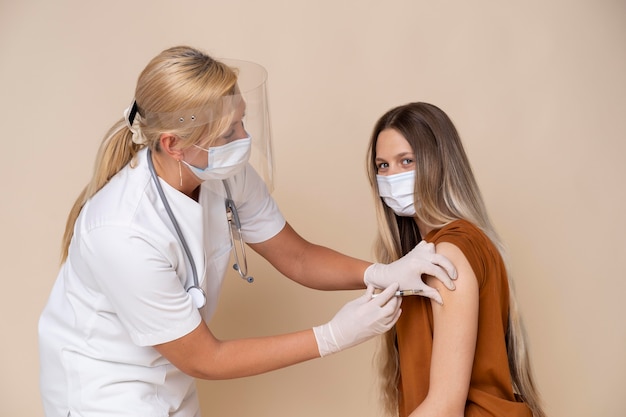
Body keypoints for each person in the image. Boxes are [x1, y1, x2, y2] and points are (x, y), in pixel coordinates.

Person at [38, 47, 457, 417]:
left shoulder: (222, 173)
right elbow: (206, 357)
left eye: (240, 122)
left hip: (172, 382)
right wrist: (331, 336)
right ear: (173, 144)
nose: (244, 138)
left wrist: (381, 271)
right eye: (228, 133)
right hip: (104, 393)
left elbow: (297, 256)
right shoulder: (121, 231)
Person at [366, 102, 546, 417]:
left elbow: (445, 407)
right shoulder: (426, 256)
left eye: (406, 161)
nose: (392, 175)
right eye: (383, 166)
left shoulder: (448, 253)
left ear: (440, 164)